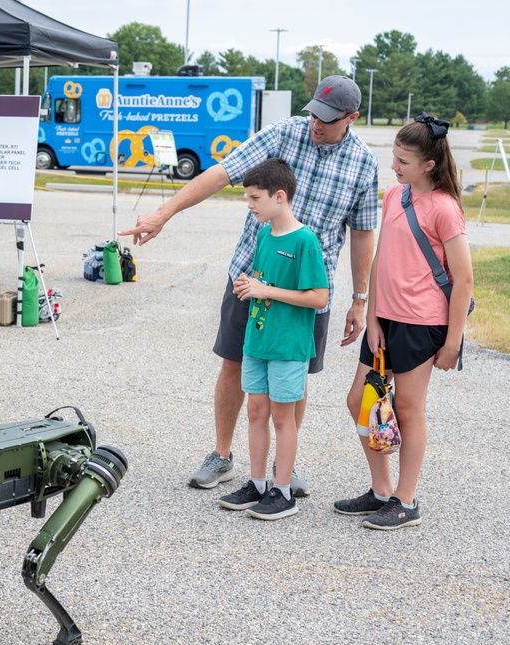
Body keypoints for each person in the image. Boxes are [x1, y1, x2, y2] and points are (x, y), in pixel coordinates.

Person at [120, 75, 379, 495]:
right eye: (315, 112)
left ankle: (283, 464)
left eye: (329, 120)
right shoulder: (283, 133)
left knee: (293, 376)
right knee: (234, 364)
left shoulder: (364, 163)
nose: (317, 123)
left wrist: (359, 299)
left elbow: (364, 232)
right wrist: (164, 213)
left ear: (352, 117)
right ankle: (222, 455)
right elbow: (222, 173)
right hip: (251, 278)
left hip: (307, 291)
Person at [335, 115, 473, 530]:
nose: (394, 167)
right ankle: (381, 491)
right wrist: (372, 316)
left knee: (407, 409)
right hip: (386, 321)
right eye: (393, 158)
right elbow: (382, 260)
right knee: (360, 400)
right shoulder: (394, 195)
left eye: (403, 161)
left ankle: (406, 500)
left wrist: (452, 343)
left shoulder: (446, 209)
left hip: (421, 323)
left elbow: (464, 278)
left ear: (429, 164)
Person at [215, 159, 328, 520]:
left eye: (254, 198)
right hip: (258, 341)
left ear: (279, 196)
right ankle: (258, 483)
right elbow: (263, 281)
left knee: (283, 417)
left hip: (287, 345)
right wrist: (249, 286)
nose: (250, 205)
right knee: (255, 411)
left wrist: (269, 290)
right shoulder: (264, 234)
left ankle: (283, 492)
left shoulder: (305, 241)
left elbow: (319, 297)